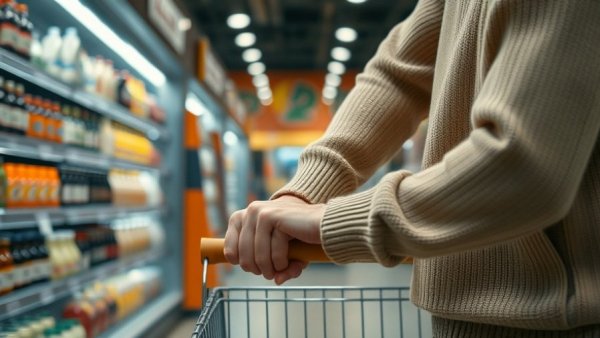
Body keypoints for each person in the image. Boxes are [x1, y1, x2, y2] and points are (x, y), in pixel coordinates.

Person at [224, 0, 600, 336]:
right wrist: (303, 192)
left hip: (558, 320)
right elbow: (398, 75)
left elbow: (524, 165)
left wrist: (334, 220)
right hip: (458, 313)